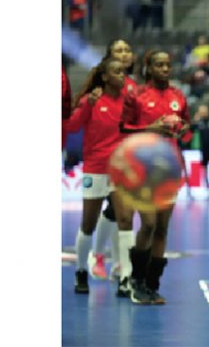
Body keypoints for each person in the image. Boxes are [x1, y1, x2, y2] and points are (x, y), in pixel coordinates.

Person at [118, 50, 190, 304]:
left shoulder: (178, 96)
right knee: (147, 224)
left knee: (161, 228)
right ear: (148, 68)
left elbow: (187, 129)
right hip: (142, 168)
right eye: (159, 65)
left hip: (169, 169)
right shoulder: (136, 95)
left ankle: (152, 285)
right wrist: (151, 129)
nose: (165, 69)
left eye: (168, 64)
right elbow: (123, 128)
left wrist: (182, 130)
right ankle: (135, 279)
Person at [63, 58, 127, 294]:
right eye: (117, 71)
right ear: (105, 77)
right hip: (95, 168)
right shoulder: (92, 100)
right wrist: (87, 105)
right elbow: (71, 126)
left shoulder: (127, 102)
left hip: (119, 170)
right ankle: (81, 270)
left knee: (123, 221)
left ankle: (122, 273)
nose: (123, 75)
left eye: (123, 71)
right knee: (88, 223)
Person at [88, 38, 138, 282]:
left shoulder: (135, 87)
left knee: (121, 212)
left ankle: (118, 263)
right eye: (118, 49)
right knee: (117, 210)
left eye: (127, 49)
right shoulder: (102, 89)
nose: (124, 53)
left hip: (128, 158)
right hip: (105, 160)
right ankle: (100, 256)